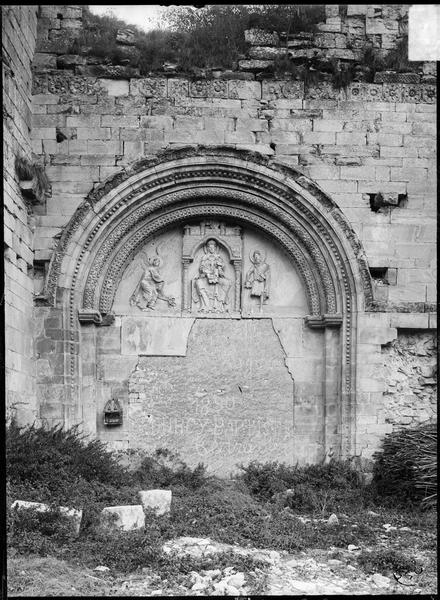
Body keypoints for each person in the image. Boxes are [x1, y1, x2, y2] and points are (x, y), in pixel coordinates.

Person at [193, 239, 231, 312]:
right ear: (207, 248)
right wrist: (207, 272)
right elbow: (201, 268)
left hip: (217, 278)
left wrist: (220, 268)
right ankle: (206, 305)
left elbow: (223, 268)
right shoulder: (204, 258)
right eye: (210, 248)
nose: (211, 249)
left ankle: (219, 306)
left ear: (215, 248)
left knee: (227, 283)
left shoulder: (218, 257)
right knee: (198, 283)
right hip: (206, 277)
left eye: (213, 248)